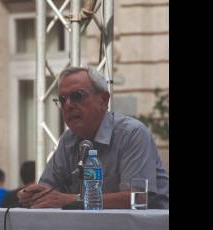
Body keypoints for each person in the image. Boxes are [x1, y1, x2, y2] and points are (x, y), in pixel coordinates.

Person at [17, 66, 169, 209]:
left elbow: (138, 198)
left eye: (77, 96)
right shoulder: (67, 140)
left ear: (103, 100)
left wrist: (71, 200)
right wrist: (34, 194)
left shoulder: (132, 134)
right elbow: (49, 190)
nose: (68, 105)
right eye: (62, 100)